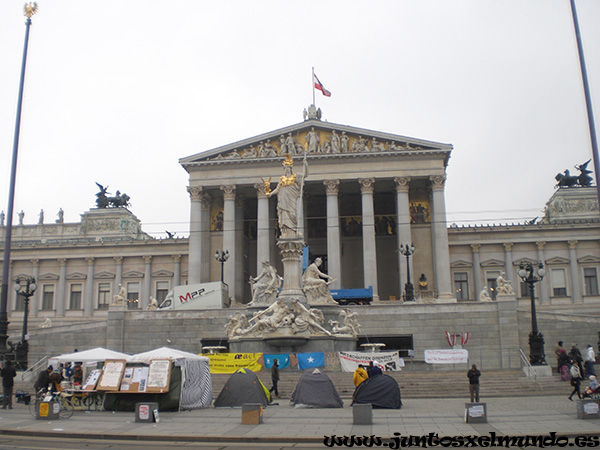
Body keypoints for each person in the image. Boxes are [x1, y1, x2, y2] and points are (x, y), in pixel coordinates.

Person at [265, 154, 302, 237]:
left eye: (288, 168)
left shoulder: (295, 177)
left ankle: (294, 231)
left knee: (293, 215)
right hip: (283, 200)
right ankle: (285, 232)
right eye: (285, 168)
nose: (286, 170)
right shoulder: (282, 179)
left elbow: (304, 177)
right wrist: (270, 194)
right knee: (284, 215)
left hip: (291, 199)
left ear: (291, 168)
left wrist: (306, 165)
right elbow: (278, 189)